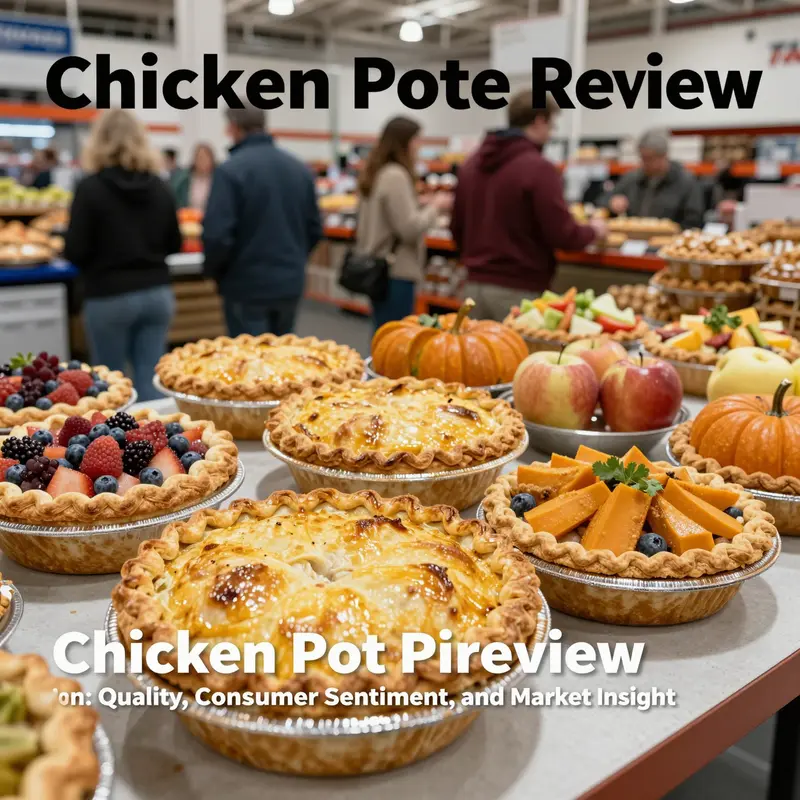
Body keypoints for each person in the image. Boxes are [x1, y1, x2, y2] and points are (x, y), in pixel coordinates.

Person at [451, 92, 604, 320]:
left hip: (472, 289)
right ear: (540, 120)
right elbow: (562, 235)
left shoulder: (471, 165)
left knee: (477, 355)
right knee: (518, 356)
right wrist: (594, 230)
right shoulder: (538, 168)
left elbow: (457, 228)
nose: (551, 133)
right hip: (518, 292)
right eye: (552, 126)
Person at [64, 109, 182, 402]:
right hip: (156, 293)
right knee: (150, 380)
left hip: (108, 296)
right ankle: (156, 445)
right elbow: (175, 242)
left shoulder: (90, 188)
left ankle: (114, 447)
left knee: (109, 385)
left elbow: (75, 250)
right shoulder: (160, 186)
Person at [203, 104, 322, 337]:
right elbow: (315, 228)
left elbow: (217, 234)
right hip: (290, 281)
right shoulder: (299, 169)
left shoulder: (230, 171)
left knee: (250, 362)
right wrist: (295, 259)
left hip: (245, 285)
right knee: (283, 358)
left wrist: (215, 273)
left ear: (234, 127)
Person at [357, 116, 451, 329]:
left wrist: (418, 202)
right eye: (417, 140)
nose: (420, 146)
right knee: (395, 338)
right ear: (405, 142)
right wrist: (435, 206)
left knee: (383, 333)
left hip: (379, 268)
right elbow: (410, 228)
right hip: (396, 271)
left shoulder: (377, 172)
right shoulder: (396, 175)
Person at [606, 129, 705, 228]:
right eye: (642, 158)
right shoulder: (631, 178)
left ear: (664, 156)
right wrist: (612, 202)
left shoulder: (686, 182)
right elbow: (602, 200)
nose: (645, 163)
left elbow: (694, 220)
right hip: (633, 238)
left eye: (649, 158)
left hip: (669, 240)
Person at [173, 142, 216, 212]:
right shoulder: (183, 179)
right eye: (200, 158)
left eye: (206, 158)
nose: (203, 161)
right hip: (189, 218)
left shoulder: (218, 179)